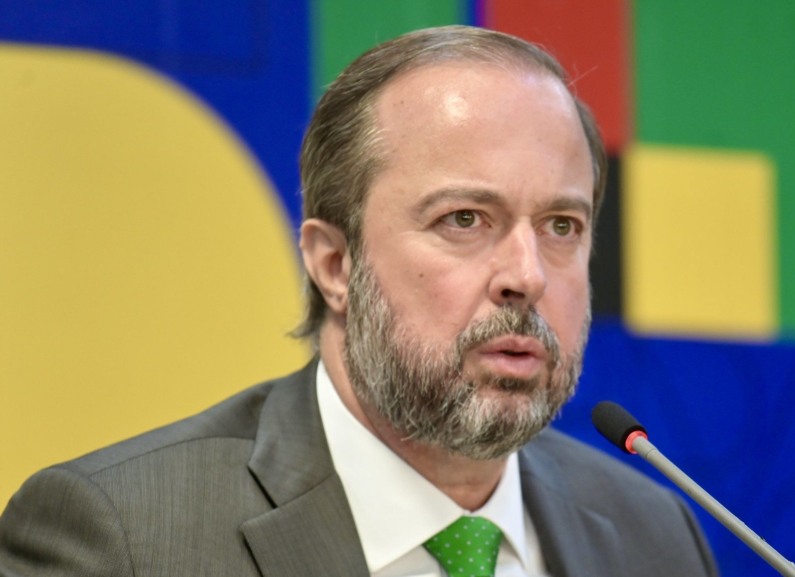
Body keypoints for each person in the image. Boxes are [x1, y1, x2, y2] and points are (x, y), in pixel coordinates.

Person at [0, 25, 717, 577]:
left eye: (562, 226)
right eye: (464, 219)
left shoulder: (652, 534)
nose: (527, 275)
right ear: (334, 265)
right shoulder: (123, 536)